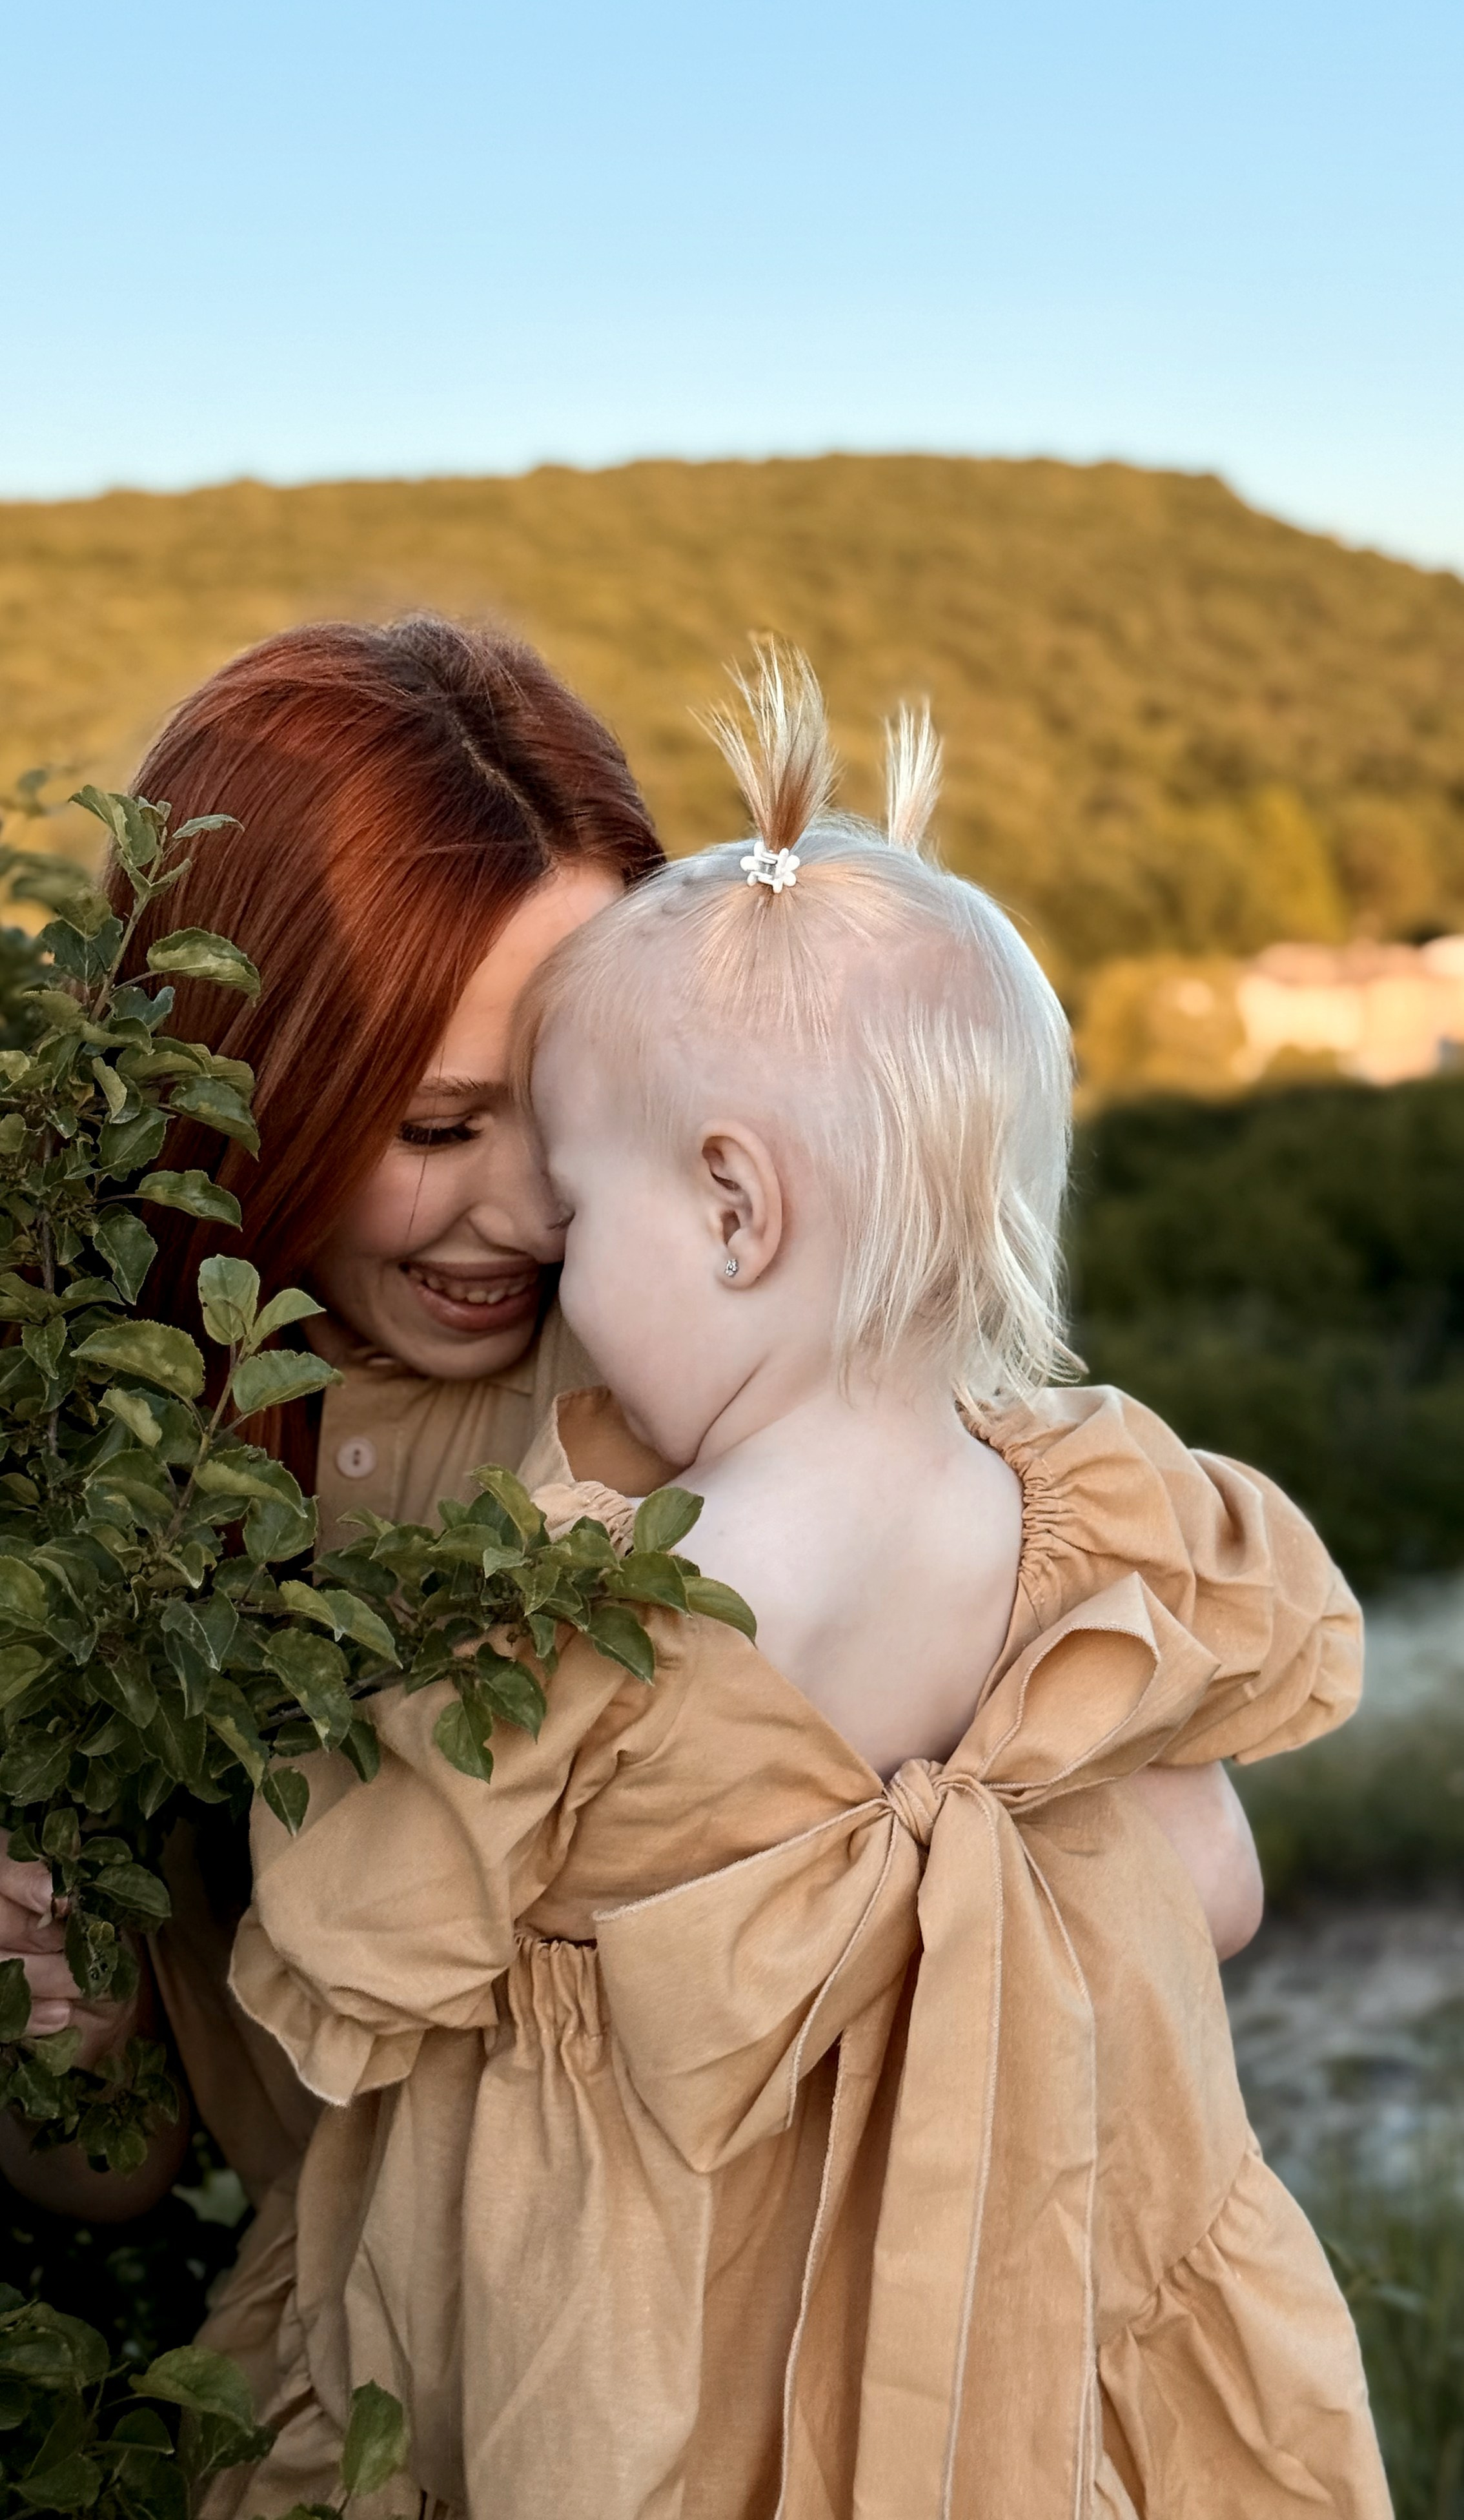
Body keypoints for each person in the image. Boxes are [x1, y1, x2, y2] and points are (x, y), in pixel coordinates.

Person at [211, 652, 1385, 2517]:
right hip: (1015, 2360)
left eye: (583, 1208)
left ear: (735, 1208)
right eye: (450, 1130)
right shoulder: (1081, 1512)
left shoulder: (603, 1606)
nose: (540, 1243)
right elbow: (1219, 1887)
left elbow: (357, 1942)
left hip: (637, 2395)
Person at [0, 619, 1262, 2237]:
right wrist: (74, 2021)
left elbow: (1188, 1888)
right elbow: (108, 2175)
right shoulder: (91, 1451)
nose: (533, 1212)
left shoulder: (728, 1386)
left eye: (595, 1116)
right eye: (438, 1125)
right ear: (237, 1084)